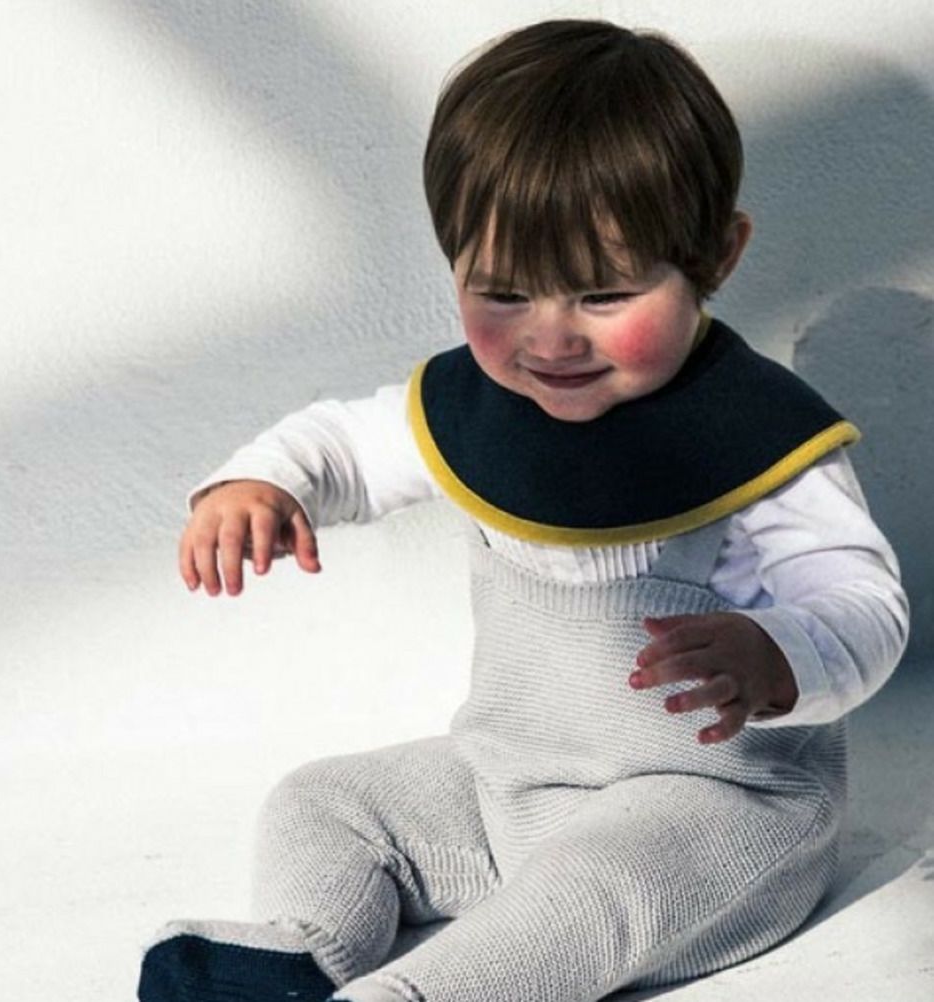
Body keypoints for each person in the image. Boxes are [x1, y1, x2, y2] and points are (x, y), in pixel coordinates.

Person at [137, 18, 908, 1002]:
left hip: (717, 809)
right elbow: (343, 443)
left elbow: (864, 605)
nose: (551, 339)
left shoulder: (760, 437)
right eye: (502, 293)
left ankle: (421, 994)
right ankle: (294, 952)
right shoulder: (475, 407)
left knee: (589, 892)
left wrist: (779, 655)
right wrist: (261, 484)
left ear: (717, 256)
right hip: (508, 781)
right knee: (323, 798)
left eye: (604, 294)